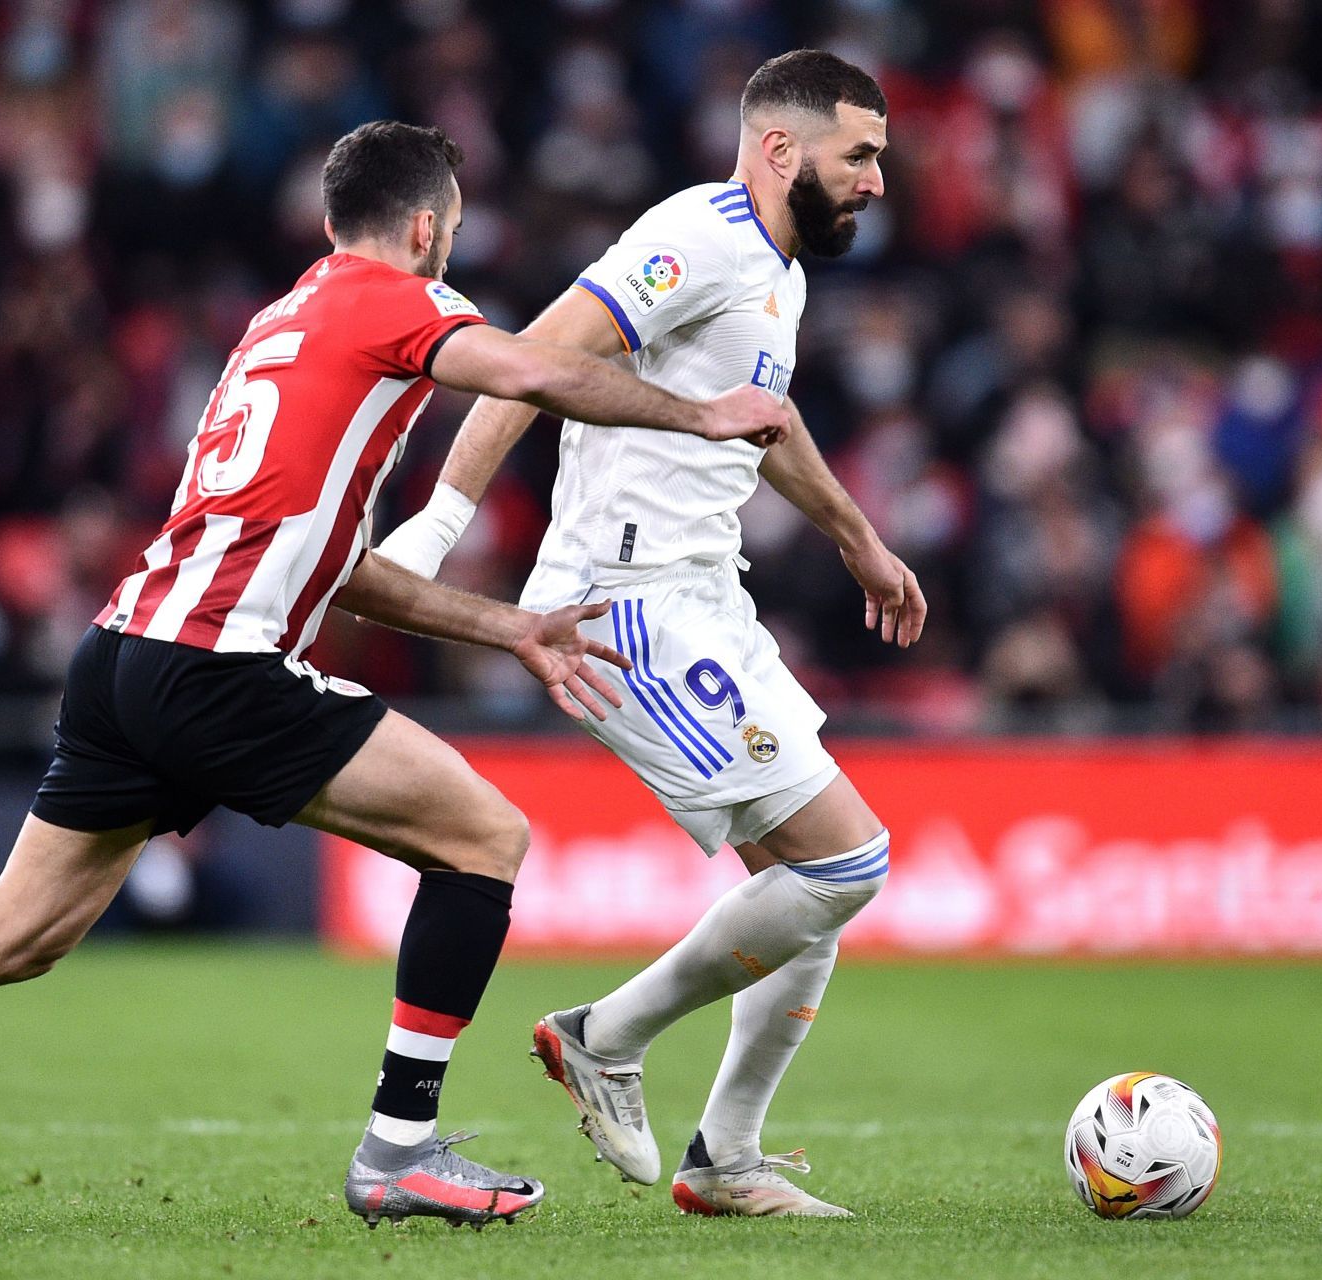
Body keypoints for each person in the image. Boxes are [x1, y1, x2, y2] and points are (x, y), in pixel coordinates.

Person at [0, 120, 791, 1234]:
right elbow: (537, 371)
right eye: (446, 232)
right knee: (483, 838)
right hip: (219, 665)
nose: (449, 252)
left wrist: (510, 626)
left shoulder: (281, 321)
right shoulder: (396, 298)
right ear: (425, 225)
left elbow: (337, 567)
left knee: (7, 937)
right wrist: (700, 413)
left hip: (123, 656)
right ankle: (399, 1150)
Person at [376, 51, 924, 1217]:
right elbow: (533, 361)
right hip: (626, 604)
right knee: (848, 861)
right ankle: (603, 1035)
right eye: (861, 155)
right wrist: (437, 526)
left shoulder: (777, 267)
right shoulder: (702, 235)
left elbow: (762, 422)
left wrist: (855, 538)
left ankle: (725, 1159)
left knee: (804, 890)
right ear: (781, 150)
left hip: (705, 595)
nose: (879, 180)